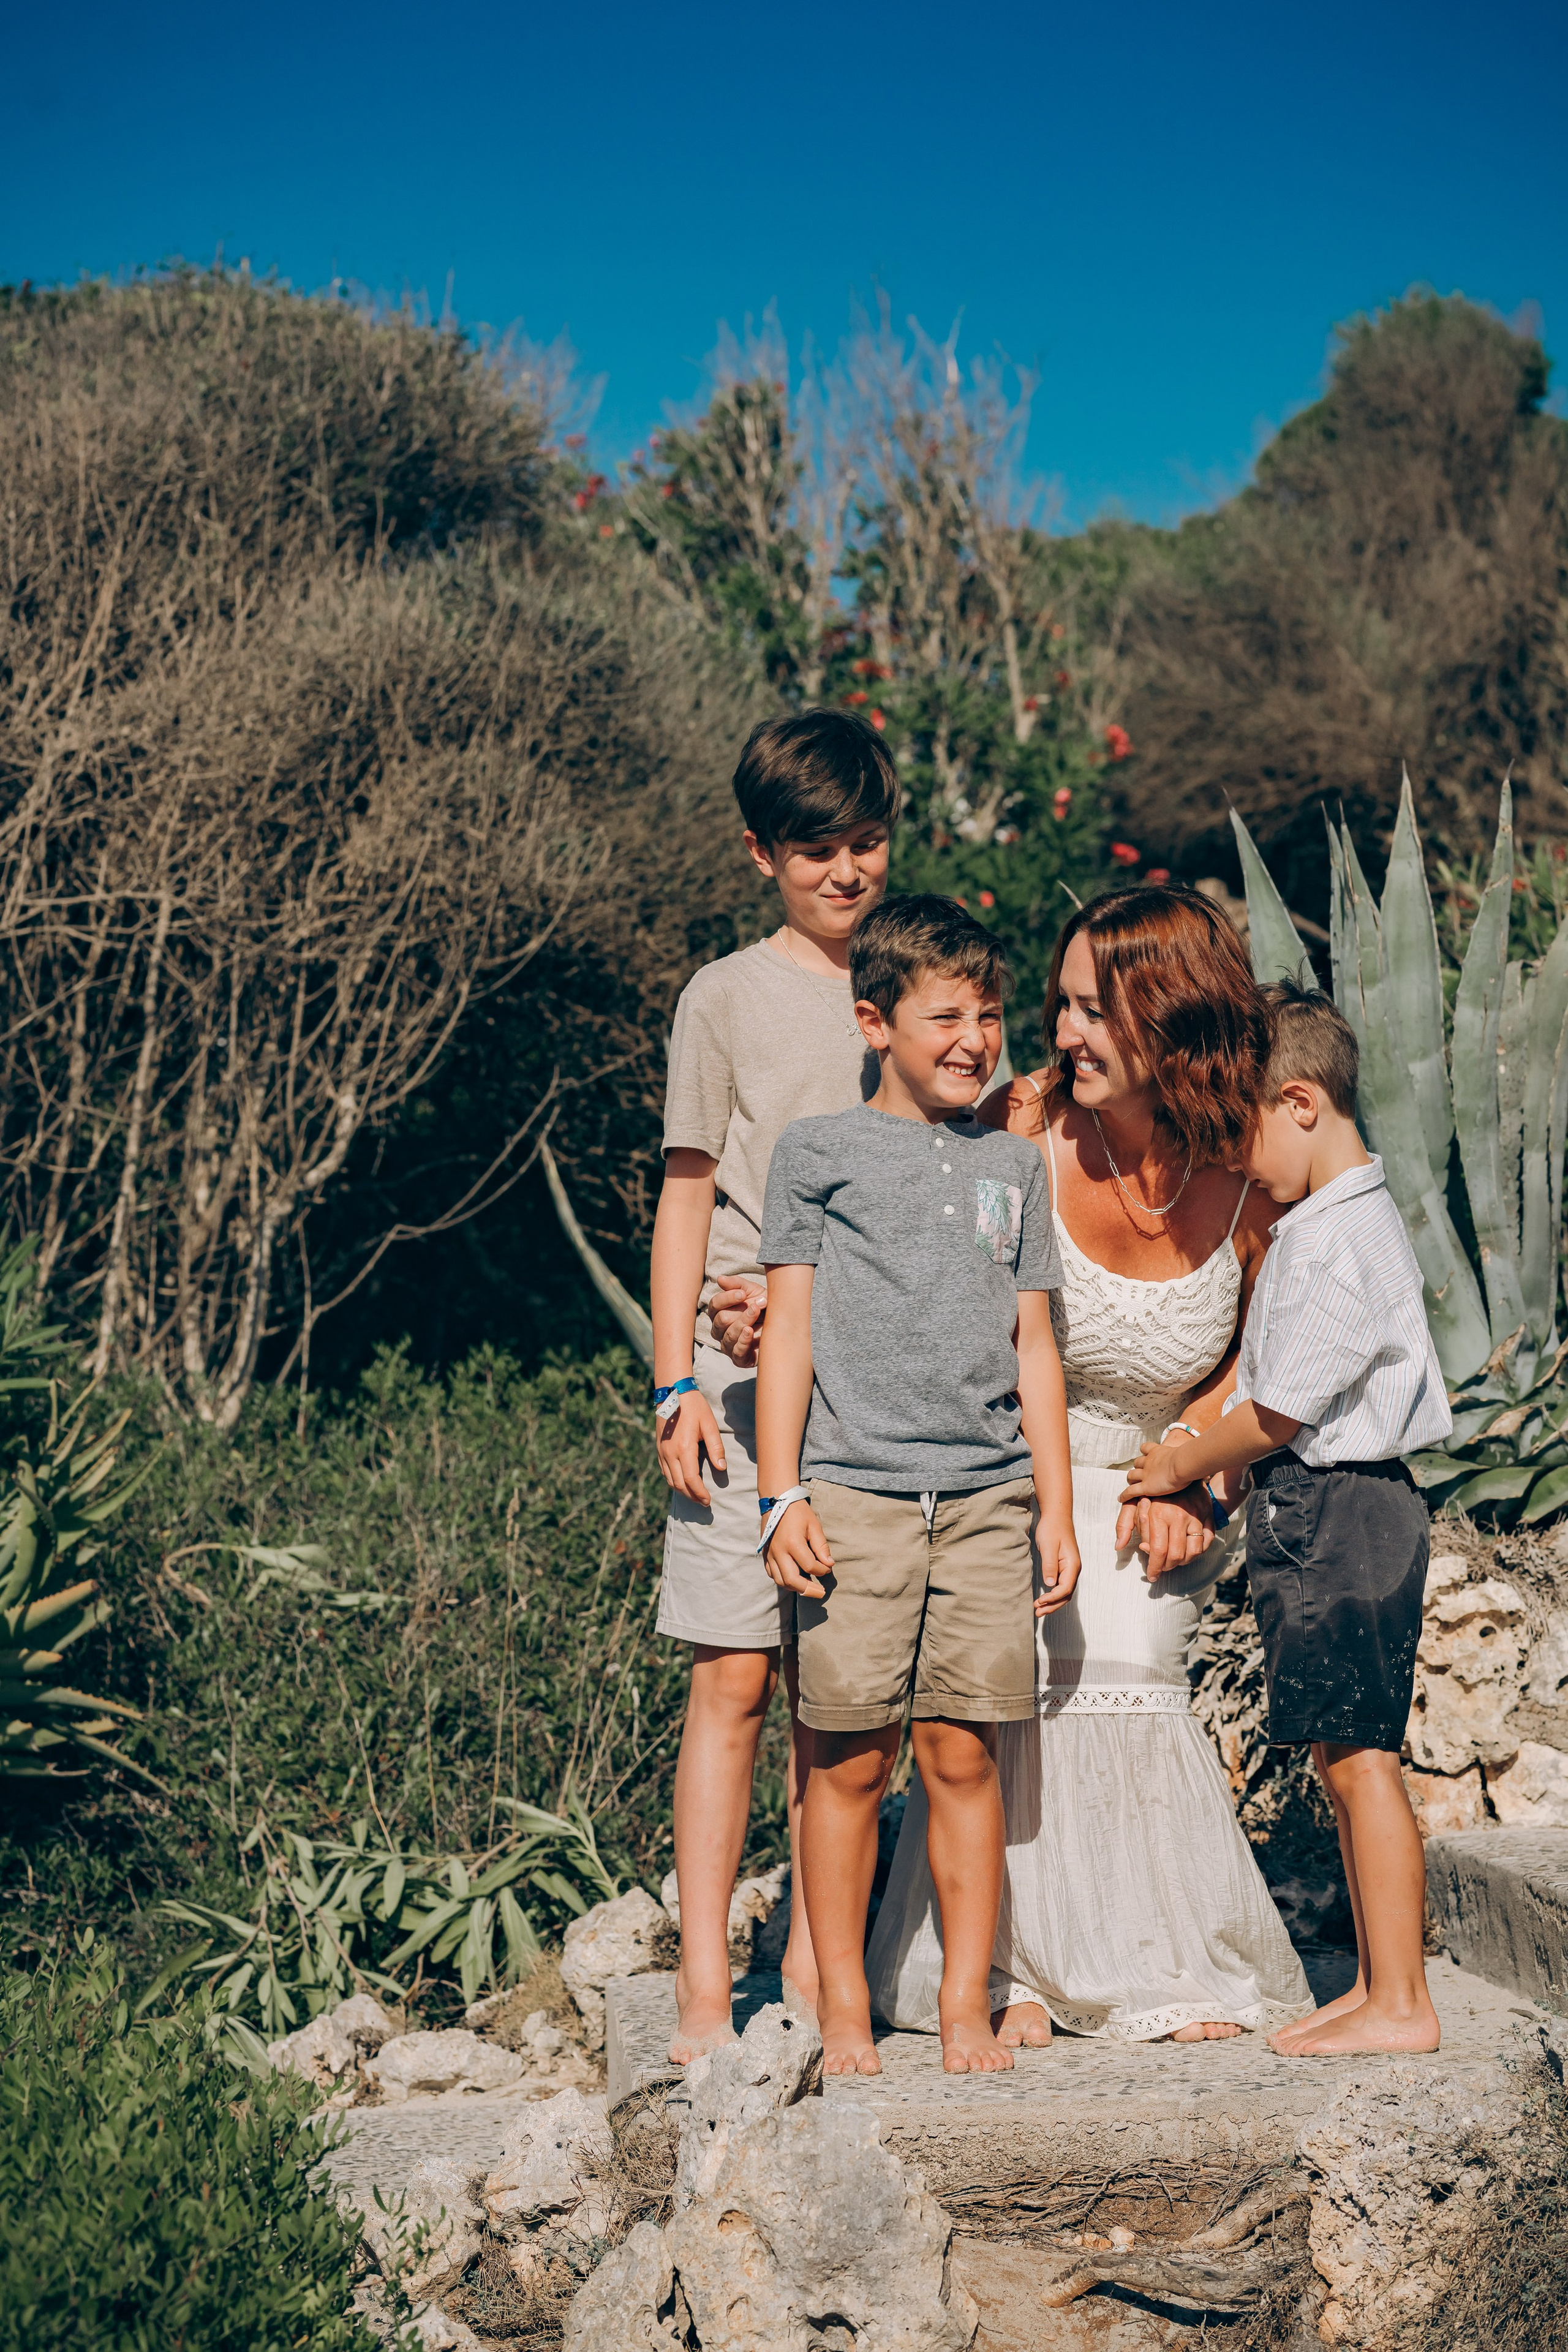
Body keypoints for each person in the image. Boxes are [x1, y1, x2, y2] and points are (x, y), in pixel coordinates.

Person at [868, 884, 1311, 2045]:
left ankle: (1154, 1963)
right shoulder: (1021, 1132)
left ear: (1172, 1019)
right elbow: (952, 1307)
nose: (1063, 1034)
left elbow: (1261, 1354)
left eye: (1093, 1011)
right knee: (1022, 1653)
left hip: (1168, 1480)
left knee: (1131, 1649)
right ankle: (1008, 1971)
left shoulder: (1248, 1168)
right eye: (1061, 1005)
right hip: (1015, 1469)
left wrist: (1192, 1470)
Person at [755, 894, 1079, 2078]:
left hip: (988, 1504)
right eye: (945, 1017)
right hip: (853, 1501)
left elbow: (1034, 1345)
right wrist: (780, 1495)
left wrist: (1055, 1506)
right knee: (847, 1762)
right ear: (874, 1022)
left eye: (988, 1016)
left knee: (962, 1759)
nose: (972, 1040)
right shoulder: (817, 1155)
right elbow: (787, 1334)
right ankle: (843, 2008)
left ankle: (961, 2008)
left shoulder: (1015, 1165)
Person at [1121, 979, 1448, 2056]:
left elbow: (1275, 1412)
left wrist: (1177, 1462)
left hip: (1342, 1512)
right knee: (1340, 1758)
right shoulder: (1326, 1225)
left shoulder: (1338, 1240)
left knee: (1362, 1763)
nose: (1234, 1162)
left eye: (1239, 1132)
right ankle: (1380, 1982)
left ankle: (1402, 2002)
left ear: (1300, 1104)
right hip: (1327, 1509)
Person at [650, 706, 900, 2064]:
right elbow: (688, 1192)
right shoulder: (725, 998)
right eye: (816, 849)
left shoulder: (914, 984)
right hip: (738, 1389)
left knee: (839, 1699)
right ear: (762, 853)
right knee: (734, 1679)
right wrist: (673, 1381)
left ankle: (815, 1969)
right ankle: (704, 1990)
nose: (845, 871)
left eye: (865, 841)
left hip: (870, 1382)